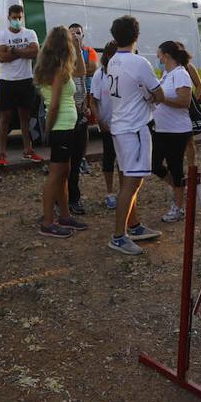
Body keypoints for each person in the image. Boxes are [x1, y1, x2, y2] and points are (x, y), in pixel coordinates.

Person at [105, 16, 164, 255]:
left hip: (120, 126)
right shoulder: (139, 62)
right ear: (136, 36)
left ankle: (134, 225)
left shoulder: (112, 60)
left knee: (128, 179)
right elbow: (158, 94)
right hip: (135, 128)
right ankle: (119, 236)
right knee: (132, 182)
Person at [33, 27, 89, 238]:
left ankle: (64, 215)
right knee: (56, 175)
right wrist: (49, 130)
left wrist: (78, 47)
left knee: (64, 173)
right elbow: (54, 105)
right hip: (61, 128)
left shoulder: (60, 67)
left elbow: (83, 72)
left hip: (67, 126)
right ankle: (48, 222)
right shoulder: (57, 70)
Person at [0, 4, 42, 165]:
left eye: (19, 17)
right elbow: (1, 57)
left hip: (26, 80)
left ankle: (28, 150)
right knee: (5, 118)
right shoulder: (1, 34)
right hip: (7, 82)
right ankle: (2, 154)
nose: (17, 20)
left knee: (25, 118)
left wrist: (13, 50)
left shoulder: (30, 33)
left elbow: (35, 53)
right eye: (14, 18)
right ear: (9, 17)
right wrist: (23, 52)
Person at [152, 41, 196, 223]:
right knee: (153, 165)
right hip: (161, 128)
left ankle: (178, 207)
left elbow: (184, 101)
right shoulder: (166, 74)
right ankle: (181, 190)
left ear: (167, 56)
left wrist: (162, 99)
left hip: (177, 131)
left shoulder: (181, 74)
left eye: (159, 56)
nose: (158, 59)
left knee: (175, 167)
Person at [66, 24, 98, 213]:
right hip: (68, 117)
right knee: (65, 163)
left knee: (77, 161)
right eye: (73, 33)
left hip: (81, 115)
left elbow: (87, 72)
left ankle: (74, 198)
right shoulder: (63, 58)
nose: (76, 36)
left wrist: (85, 106)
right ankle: (63, 199)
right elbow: (78, 73)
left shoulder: (86, 53)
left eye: (79, 33)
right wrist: (76, 49)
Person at [88, 42, 118, 210]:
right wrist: (100, 120)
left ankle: (123, 193)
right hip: (107, 124)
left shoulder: (124, 72)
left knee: (123, 160)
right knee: (109, 157)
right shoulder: (100, 75)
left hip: (123, 124)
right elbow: (93, 101)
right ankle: (110, 193)